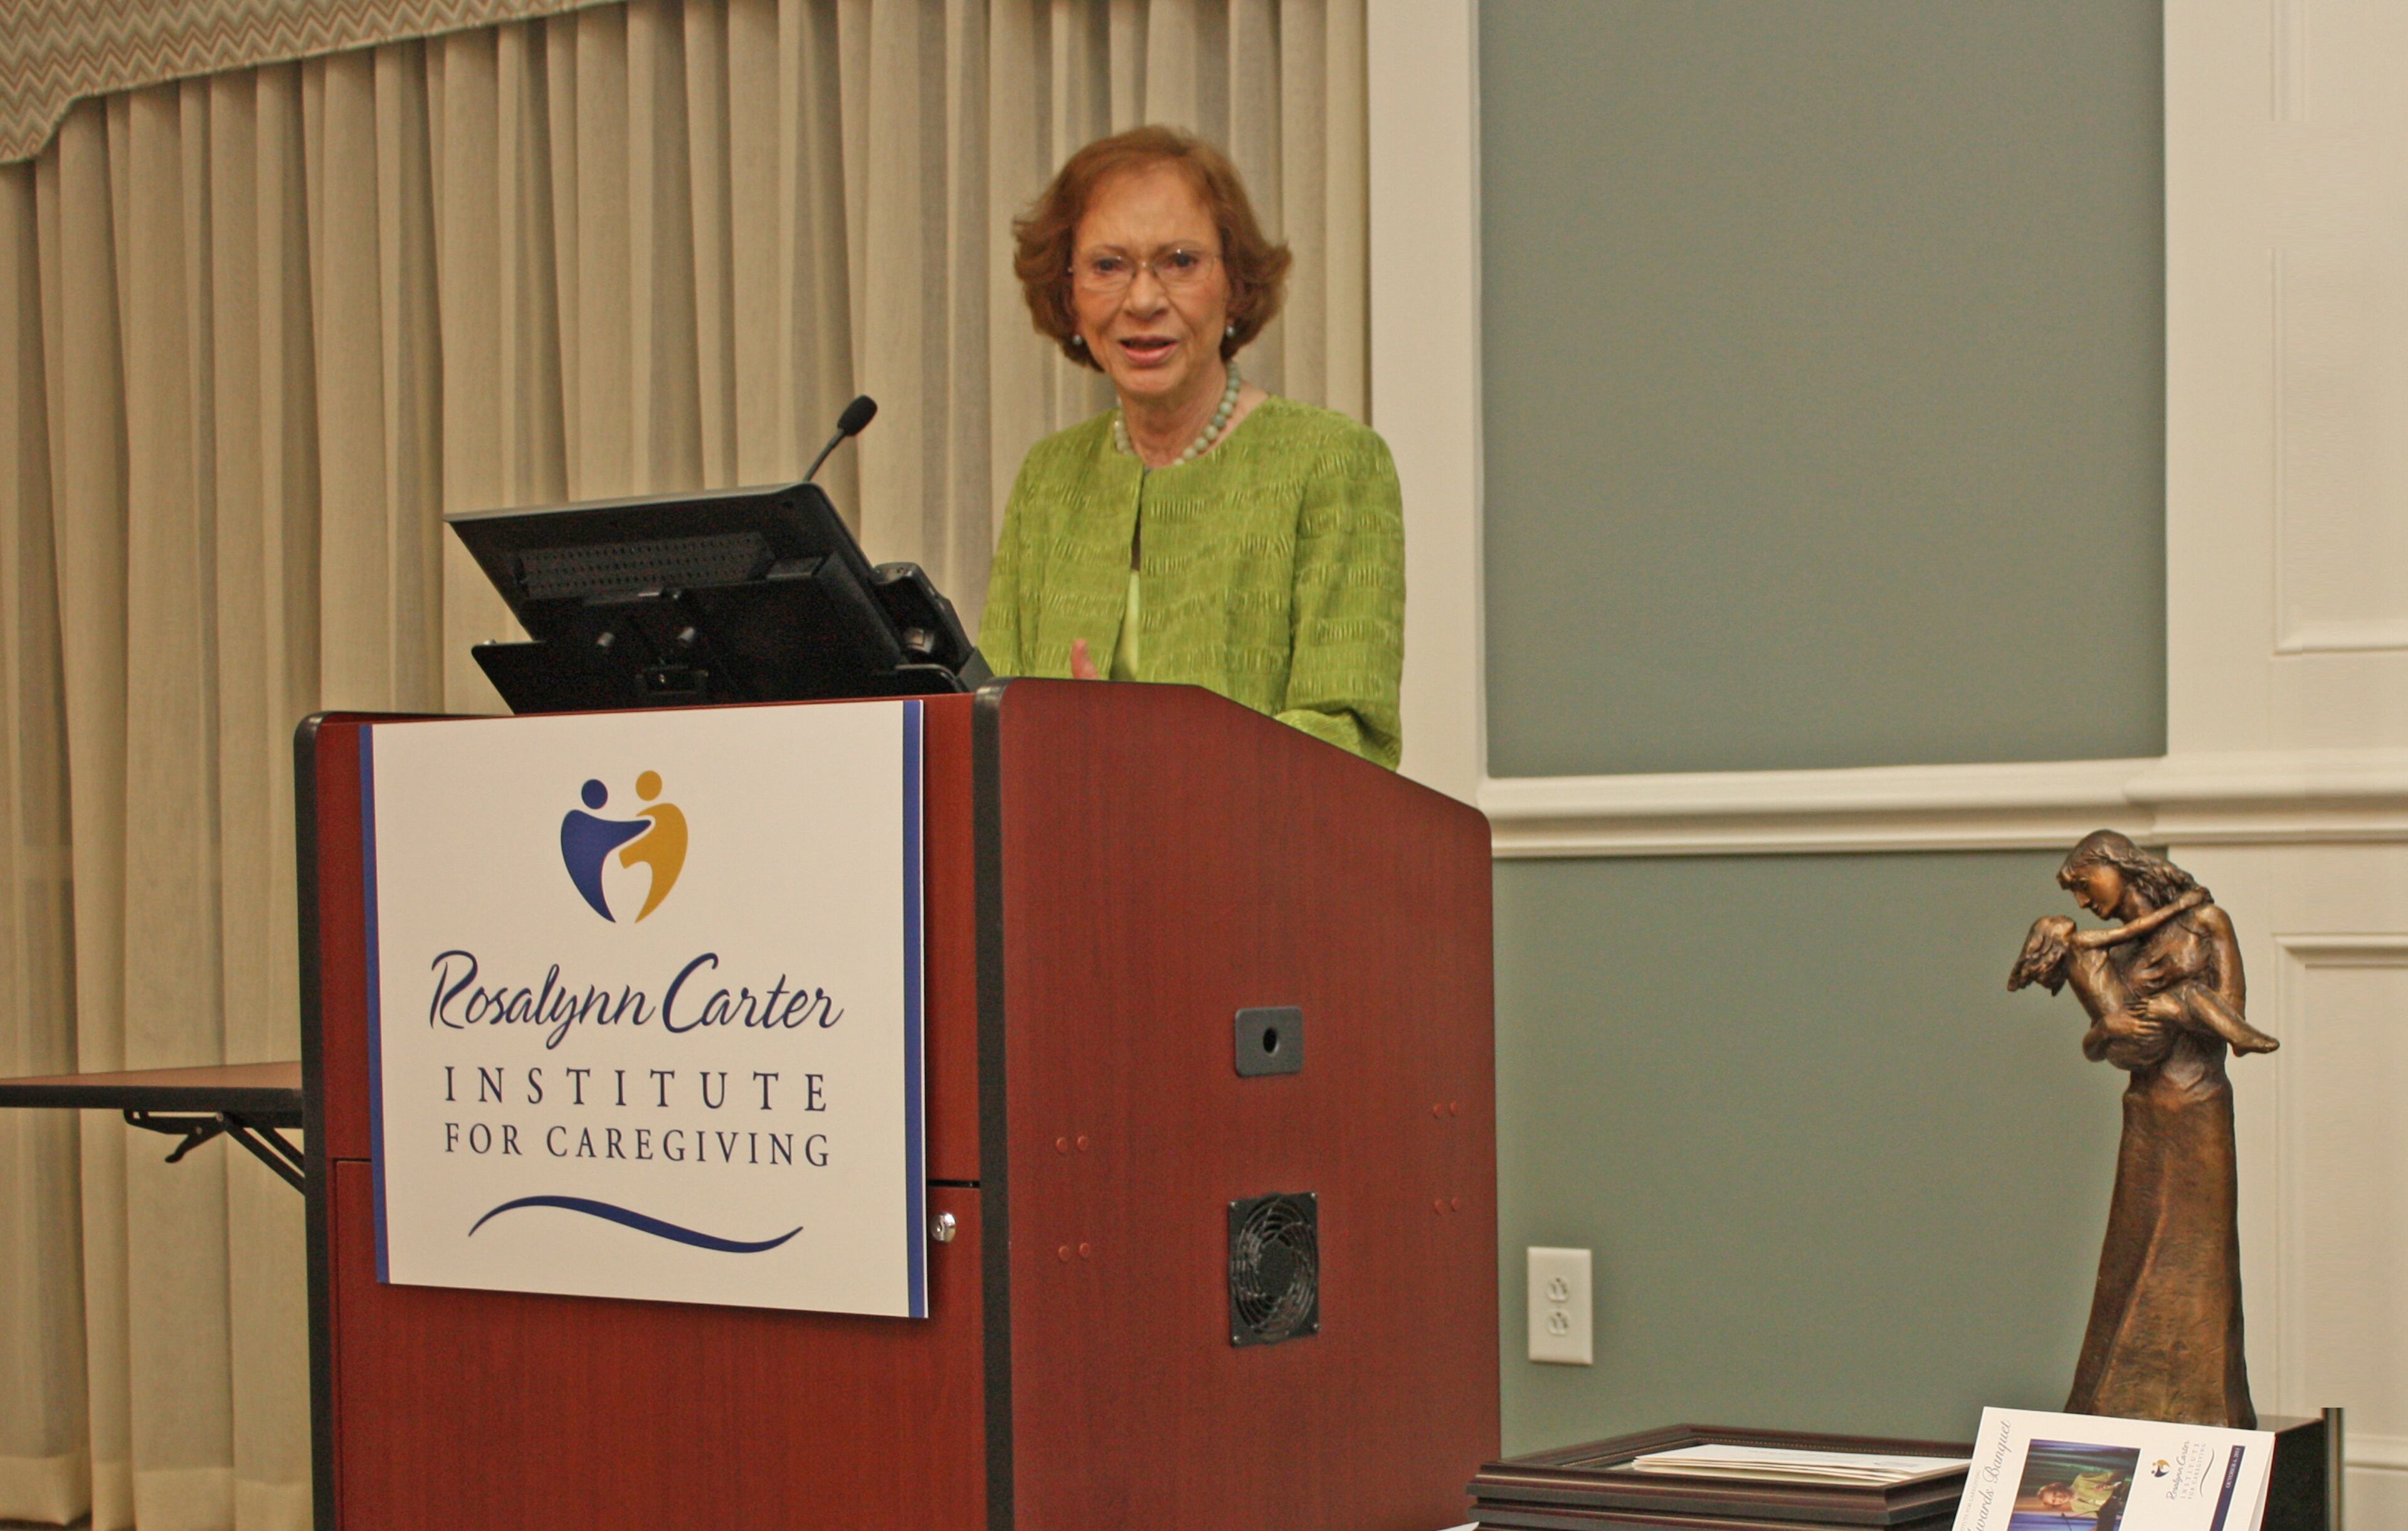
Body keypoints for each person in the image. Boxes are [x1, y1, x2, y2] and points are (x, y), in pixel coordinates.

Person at [980, 125, 1405, 768]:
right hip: (1066, 857)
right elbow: (990, 712)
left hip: (1257, 862)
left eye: (1179, 261)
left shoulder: (1333, 462)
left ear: (1234, 283)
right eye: (1107, 266)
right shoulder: (1050, 478)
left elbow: (1351, 736)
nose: (1144, 299)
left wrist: (1150, 753)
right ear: (1068, 293)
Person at [2039, 831, 2258, 1428]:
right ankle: (2110, 1403)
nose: (2083, 901)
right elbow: (2104, 1044)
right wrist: (2111, 1031)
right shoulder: (2108, 951)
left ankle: (2208, 1411)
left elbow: (2231, 1016)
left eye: (2085, 882)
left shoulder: (2205, 922)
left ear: (2117, 865)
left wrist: (2173, 1007)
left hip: (2200, 1105)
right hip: (2147, 1110)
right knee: (2131, 1255)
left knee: (2200, 1256)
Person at [2008, 891, 2280, 1056]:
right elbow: (2134, 930)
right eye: (2053, 921)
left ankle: (2235, 1033)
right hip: (2137, 1039)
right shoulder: (2081, 943)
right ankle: (2239, 1037)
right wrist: (2180, 906)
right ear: (2051, 942)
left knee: (2180, 1003)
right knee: (2191, 993)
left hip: (2125, 1045)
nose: (2063, 915)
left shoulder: (2078, 962)